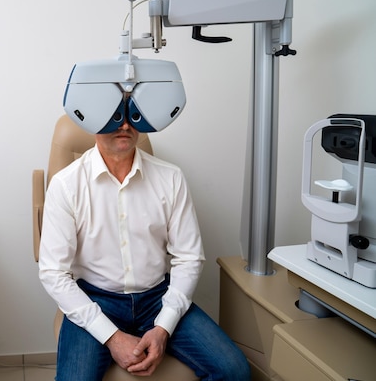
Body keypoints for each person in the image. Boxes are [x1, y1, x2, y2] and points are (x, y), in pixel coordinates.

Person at [39, 117, 250, 380]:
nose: (125, 126)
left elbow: (189, 258)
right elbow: (53, 273)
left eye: (131, 116)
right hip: (96, 299)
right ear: (94, 122)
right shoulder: (65, 185)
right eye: (113, 117)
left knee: (235, 370)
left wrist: (163, 328)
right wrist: (113, 338)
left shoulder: (170, 177)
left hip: (157, 297)